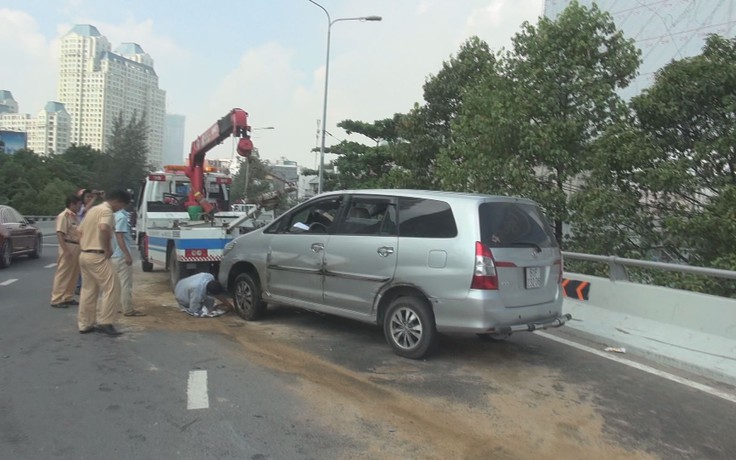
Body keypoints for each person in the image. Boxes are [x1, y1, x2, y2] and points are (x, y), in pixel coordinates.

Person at [77, 189, 132, 336]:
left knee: (88, 290)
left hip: (85, 254)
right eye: (121, 206)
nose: (120, 209)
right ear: (118, 201)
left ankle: (85, 324)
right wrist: (106, 248)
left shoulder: (93, 210)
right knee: (113, 287)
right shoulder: (106, 211)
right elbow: (104, 228)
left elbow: (79, 231)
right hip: (97, 255)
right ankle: (106, 322)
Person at [111, 204, 145, 317]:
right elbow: (119, 235)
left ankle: (117, 307)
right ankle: (128, 309)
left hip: (113, 254)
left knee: (116, 285)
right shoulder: (122, 217)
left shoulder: (112, 216)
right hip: (121, 255)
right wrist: (127, 254)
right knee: (125, 284)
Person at [50, 194, 83, 308]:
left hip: (76, 246)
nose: (80, 207)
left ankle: (67, 296)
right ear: (72, 204)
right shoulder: (64, 216)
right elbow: (60, 233)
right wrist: (66, 250)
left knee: (73, 273)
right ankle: (56, 299)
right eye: (79, 204)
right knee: (63, 273)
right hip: (68, 245)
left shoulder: (74, 217)